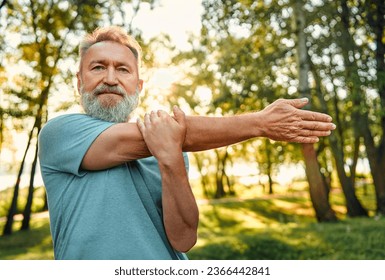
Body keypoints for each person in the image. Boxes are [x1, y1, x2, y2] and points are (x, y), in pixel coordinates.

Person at [38, 26, 336, 260]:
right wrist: (260, 122)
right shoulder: (59, 133)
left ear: (138, 86)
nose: (111, 78)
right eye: (98, 67)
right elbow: (163, 135)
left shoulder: (171, 145)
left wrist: (170, 162)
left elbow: (183, 239)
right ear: (79, 81)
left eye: (123, 69)